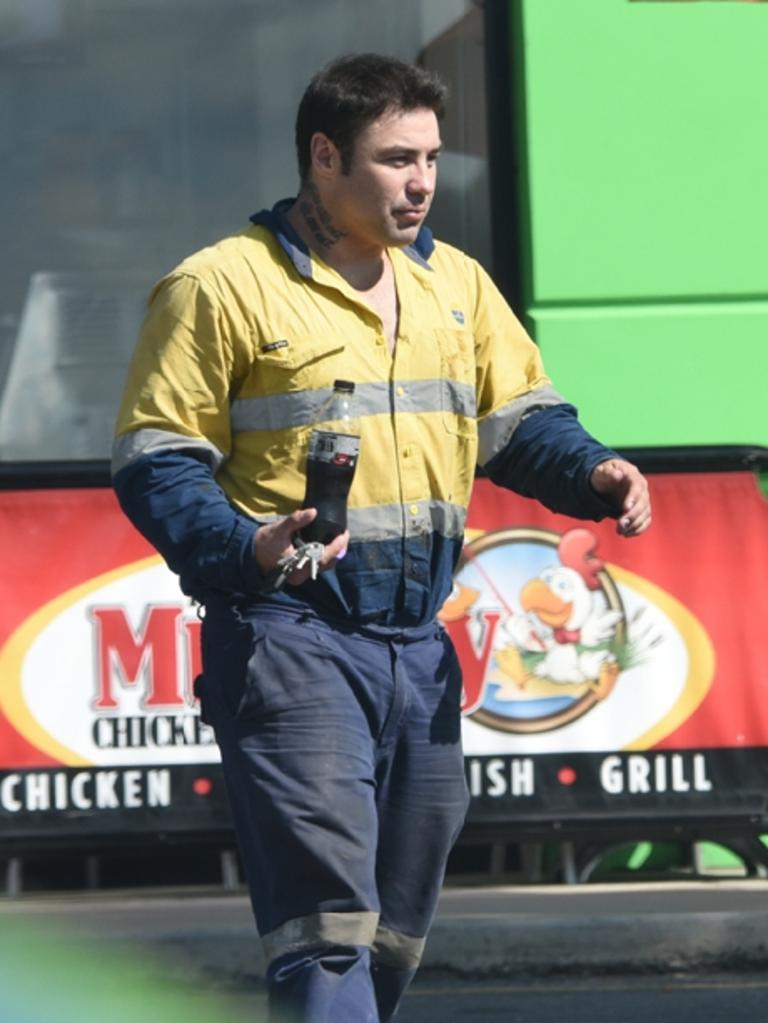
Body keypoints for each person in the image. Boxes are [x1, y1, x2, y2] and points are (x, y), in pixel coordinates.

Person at [112, 53, 651, 1023]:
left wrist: (593, 473)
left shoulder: (459, 287)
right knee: (327, 929)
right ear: (324, 157)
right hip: (288, 637)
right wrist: (246, 550)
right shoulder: (220, 286)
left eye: (433, 159)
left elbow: (522, 424)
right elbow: (156, 462)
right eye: (397, 159)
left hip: (418, 647)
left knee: (393, 930)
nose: (423, 182)